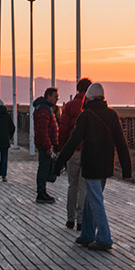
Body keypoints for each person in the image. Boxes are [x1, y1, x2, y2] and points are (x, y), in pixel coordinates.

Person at [53, 83, 131, 250]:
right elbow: (121, 143)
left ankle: (104, 237)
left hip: (91, 164)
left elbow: (72, 142)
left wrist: (58, 164)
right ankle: (87, 234)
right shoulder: (111, 114)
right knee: (90, 198)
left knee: (95, 199)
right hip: (105, 164)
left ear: (88, 98)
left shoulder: (86, 116)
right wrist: (126, 168)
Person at [58, 78, 91, 230]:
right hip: (87, 150)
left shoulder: (70, 106)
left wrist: (62, 148)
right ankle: (81, 220)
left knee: (73, 185)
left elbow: (63, 129)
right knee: (84, 185)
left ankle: (70, 218)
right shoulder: (90, 106)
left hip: (73, 151)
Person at [32, 86, 60, 204]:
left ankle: (42, 192)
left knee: (45, 167)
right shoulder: (44, 110)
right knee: (43, 168)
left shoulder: (45, 108)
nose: (57, 99)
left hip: (45, 143)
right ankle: (41, 193)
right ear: (48, 96)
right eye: (55, 96)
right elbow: (43, 130)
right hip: (44, 144)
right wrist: (48, 147)